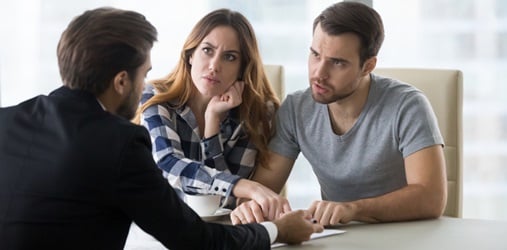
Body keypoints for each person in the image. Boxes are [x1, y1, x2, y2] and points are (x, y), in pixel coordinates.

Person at [0, 7, 322, 250]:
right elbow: (194, 240)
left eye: (229, 57)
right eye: (144, 73)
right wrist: (278, 231)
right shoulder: (121, 142)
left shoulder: (6, 119)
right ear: (122, 82)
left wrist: (211, 130)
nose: (145, 84)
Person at [231, 1, 447, 226]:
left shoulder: (408, 106)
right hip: (339, 238)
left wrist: (353, 209)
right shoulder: (296, 109)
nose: (319, 73)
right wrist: (251, 205)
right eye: (315, 55)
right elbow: (262, 188)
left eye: (337, 63)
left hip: (409, 236)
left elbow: (431, 198)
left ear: (368, 66)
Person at [135, 8, 290, 220]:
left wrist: (212, 125)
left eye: (229, 57)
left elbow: (227, 203)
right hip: (160, 229)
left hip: (222, 230)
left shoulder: (257, 114)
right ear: (190, 55)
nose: (214, 66)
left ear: (242, 68)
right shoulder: (155, 97)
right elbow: (168, 165)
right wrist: (243, 186)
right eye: (207, 50)